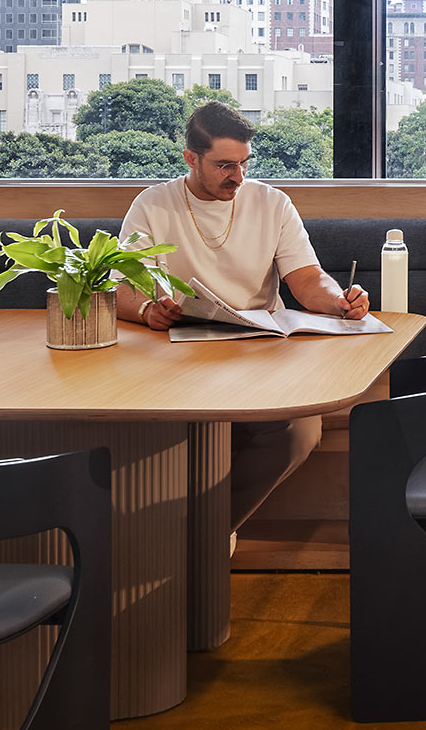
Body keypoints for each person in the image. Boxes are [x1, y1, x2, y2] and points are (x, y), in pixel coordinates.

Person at [119, 101, 370, 532]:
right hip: (179, 355)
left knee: (300, 433)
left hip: (262, 351)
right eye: (223, 166)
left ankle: (202, 534)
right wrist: (147, 311)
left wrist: (340, 301)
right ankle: (184, 540)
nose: (237, 177)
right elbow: (123, 287)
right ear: (191, 159)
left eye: (243, 164)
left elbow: (307, 279)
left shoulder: (272, 203)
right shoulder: (153, 204)